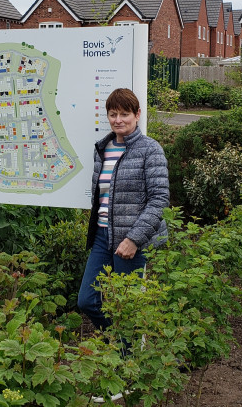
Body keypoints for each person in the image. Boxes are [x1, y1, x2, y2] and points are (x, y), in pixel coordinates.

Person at [77, 88, 169, 330]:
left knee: (125, 305)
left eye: (124, 114)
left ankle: (125, 360)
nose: (118, 120)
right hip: (102, 236)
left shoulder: (150, 150)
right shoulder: (102, 149)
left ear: (137, 115)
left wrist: (134, 239)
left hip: (132, 240)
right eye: (113, 114)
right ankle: (113, 341)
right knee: (86, 300)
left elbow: (159, 200)